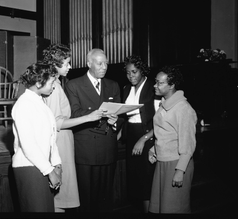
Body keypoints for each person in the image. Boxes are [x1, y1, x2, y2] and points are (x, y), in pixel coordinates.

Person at [42, 44, 104, 213]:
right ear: (55, 64)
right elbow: (57, 122)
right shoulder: (53, 87)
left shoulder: (55, 83)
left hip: (63, 142)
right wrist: (88, 118)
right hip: (60, 143)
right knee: (60, 198)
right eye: (67, 63)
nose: (70, 66)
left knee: (61, 196)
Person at [65, 48, 121, 212]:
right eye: (99, 63)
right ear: (89, 64)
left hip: (108, 148)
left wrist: (116, 120)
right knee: (86, 199)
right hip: (86, 150)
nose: (104, 67)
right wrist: (99, 115)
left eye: (106, 63)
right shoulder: (73, 85)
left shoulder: (113, 84)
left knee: (105, 198)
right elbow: (75, 113)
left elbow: (121, 112)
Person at [11, 62, 62, 212]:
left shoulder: (41, 103)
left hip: (41, 167)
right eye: (52, 82)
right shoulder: (23, 104)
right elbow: (29, 145)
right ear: (39, 83)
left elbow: (51, 139)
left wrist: (57, 165)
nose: (54, 86)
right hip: (29, 168)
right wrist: (50, 171)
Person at [148, 65, 197, 213]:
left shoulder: (183, 109)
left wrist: (180, 171)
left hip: (177, 163)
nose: (155, 85)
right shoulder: (165, 104)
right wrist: (153, 149)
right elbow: (164, 132)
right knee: (161, 208)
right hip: (163, 162)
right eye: (155, 81)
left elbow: (188, 144)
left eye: (160, 83)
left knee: (174, 208)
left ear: (172, 85)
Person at [120, 55, 157, 213]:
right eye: (128, 73)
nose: (131, 76)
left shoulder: (152, 87)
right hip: (131, 136)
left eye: (134, 72)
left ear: (142, 70)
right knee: (135, 181)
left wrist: (144, 139)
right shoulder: (126, 89)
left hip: (147, 137)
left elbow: (160, 120)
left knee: (146, 182)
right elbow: (125, 116)